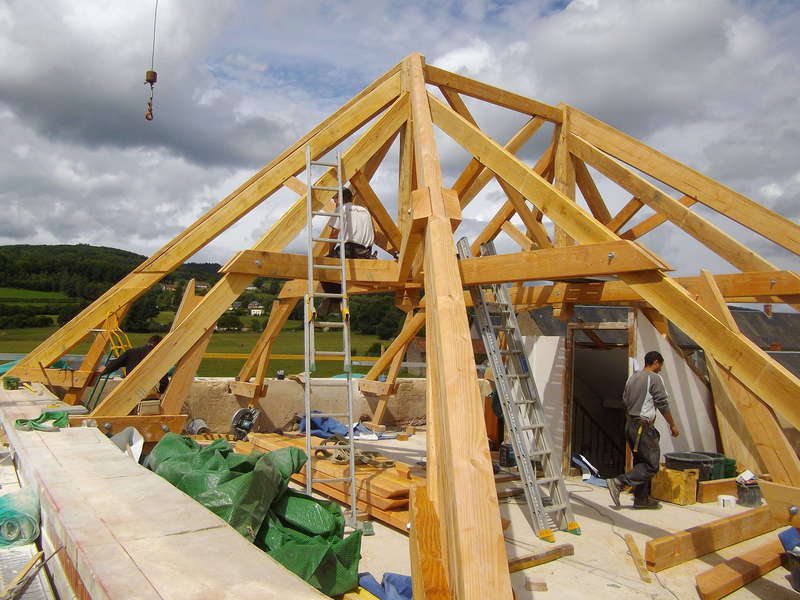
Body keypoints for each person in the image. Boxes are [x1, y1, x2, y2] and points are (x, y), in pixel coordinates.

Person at [606, 350, 680, 510]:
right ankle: (619, 482)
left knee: (641, 462)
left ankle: (641, 499)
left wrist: (631, 422)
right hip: (642, 427)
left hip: (630, 426)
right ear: (656, 363)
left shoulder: (632, 378)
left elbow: (624, 402)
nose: (660, 368)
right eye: (660, 365)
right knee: (651, 465)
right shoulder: (654, 378)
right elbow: (662, 403)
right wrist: (672, 425)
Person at [318, 187, 375, 315]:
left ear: (341, 199)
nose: (334, 202)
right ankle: (334, 299)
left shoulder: (341, 209)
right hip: (366, 252)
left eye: (335, 199)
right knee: (337, 270)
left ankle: (334, 300)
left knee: (322, 265)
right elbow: (373, 234)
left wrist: (331, 252)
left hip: (350, 249)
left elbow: (333, 234)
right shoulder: (364, 211)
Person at [99, 335, 169, 393]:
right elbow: (164, 379)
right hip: (145, 389)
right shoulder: (158, 356)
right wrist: (161, 391)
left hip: (129, 387)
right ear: (159, 345)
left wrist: (106, 369)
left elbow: (116, 363)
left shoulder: (131, 352)